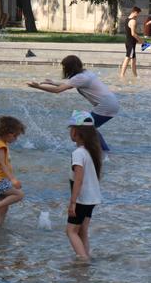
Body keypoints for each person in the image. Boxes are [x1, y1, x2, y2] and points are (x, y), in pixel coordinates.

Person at [27, 55, 119, 152]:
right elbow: (70, 84)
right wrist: (52, 82)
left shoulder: (80, 77)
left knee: (82, 128)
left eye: (64, 67)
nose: (63, 69)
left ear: (69, 67)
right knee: (89, 128)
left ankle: (101, 150)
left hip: (106, 106)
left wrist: (38, 87)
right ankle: (102, 150)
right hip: (111, 103)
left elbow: (58, 90)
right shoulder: (85, 73)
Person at [65, 110, 102, 260]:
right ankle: (87, 255)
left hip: (82, 199)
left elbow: (78, 179)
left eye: (71, 129)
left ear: (76, 132)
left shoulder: (78, 153)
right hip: (92, 198)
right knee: (82, 231)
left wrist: (72, 202)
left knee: (71, 231)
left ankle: (83, 260)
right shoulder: (91, 151)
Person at [0, 116, 26, 226]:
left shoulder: (0, 143)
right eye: (15, 136)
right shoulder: (0, 146)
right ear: (8, 133)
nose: (16, 139)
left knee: (3, 208)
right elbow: (2, 165)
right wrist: (13, 180)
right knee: (19, 195)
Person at [120, 6, 143, 77]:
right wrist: (141, 41)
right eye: (138, 13)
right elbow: (133, 33)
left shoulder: (127, 19)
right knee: (127, 58)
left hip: (128, 42)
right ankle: (122, 75)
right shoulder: (133, 21)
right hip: (131, 43)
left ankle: (135, 75)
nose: (138, 15)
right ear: (135, 12)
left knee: (133, 60)